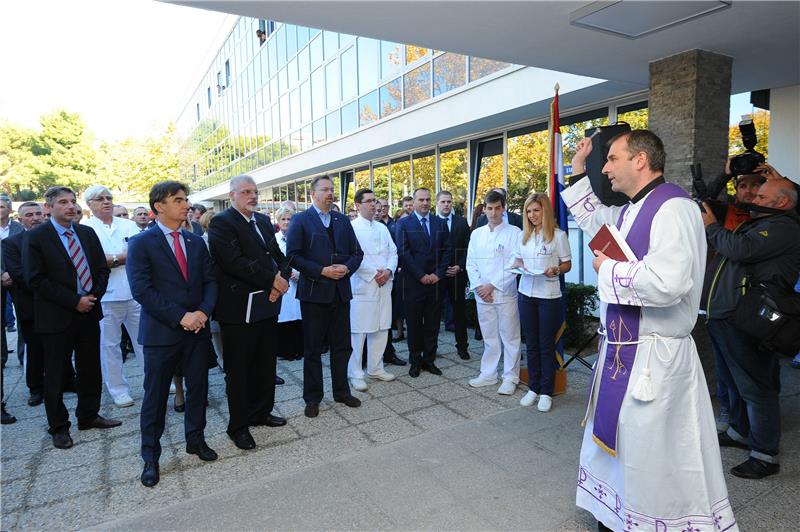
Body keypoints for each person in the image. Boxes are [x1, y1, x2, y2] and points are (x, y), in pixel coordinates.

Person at [563, 130, 735, 531]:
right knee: (626, 443)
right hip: (627, 350)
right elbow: (596, 222)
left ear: (640, 160)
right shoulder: (630, 211)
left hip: (656, 359)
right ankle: (618, 513)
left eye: (612, 158)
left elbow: (668, 282)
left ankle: (658, 520)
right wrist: (575, 173)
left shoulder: (674, 208)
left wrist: (608, 269)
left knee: (653, 450)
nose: (604, 168)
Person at [703, 175, 800, 480]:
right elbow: (712, 200)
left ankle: (764, 454)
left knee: (756, 387)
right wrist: (728, 176)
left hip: (749, 320)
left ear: (782, 202)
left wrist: (711, 229)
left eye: (761, 197)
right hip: (727, 316)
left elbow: (741, 249)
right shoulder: (761, 221)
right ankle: (739, 430)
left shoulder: (785, 227)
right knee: (732, 381)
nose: (753, 200)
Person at [126, 181, 219, 487]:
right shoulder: (142, 243)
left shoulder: (193, 241)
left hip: (197, 330)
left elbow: (210, 281)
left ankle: (196, 439)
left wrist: (203, 313)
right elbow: (142, 290)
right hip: (162, 332)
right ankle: (150, 457)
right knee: (155, 397)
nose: (185, 204)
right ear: (159, 207)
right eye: (178, 200)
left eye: (186, 199)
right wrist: (181, 316)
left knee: (199, 388)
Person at [25, 186, 120, 449]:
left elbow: (101, 269)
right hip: (56, 315)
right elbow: (35, 279)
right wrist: (73, 300)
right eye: (62, 202)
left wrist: (91, 297)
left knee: (90, 367)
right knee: (56, 373)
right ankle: (58, 427)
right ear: (50, 207)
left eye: (72, 202)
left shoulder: (86, 233)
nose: (70, 207)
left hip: (88, 312)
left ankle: (88, 416)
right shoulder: (37, 237)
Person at [207, 175, 290, 450]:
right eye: (245, 192)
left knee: (266, 363)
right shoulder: (222, 223)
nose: (252, 196)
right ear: (232, 196)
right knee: (240, 370)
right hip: (237, 309)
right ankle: (238, 426)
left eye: (255, 192)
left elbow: (278, 254)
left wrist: (283, 279)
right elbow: (234, 262)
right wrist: (272, 280)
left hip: (267, 304)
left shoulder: (264, 221)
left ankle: (262, 411)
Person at [286, 175, 364, 418]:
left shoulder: (342, 220)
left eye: (332, 189)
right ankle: (312, 398)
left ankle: (341, 391)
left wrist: (347, 268)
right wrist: (322, 271)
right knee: (312, 349)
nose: (330, 193)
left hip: (341, 293)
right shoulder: (301, 220)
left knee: (342, 346)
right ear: (313, 194)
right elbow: (293, 256)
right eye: (325, 189)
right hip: (314, 295)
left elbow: (357, 252)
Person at [3, 202, 74, 407]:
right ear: (20, 219)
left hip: (59, 302)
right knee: (34, 348)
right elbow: (19, 274)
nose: (35, 218)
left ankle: (68, 380)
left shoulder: (55, 238)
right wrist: (50, 287)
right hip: (31, 304)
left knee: (64, 345)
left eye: (38, 214)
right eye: (29, 215)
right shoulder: (11, 243)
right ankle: (35, 388)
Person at [83, 186, 144, 408]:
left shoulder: (129, 226)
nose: (106, 202)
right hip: (105, 296)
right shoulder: (85, 229)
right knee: (109, 346)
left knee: (145, 342)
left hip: (135, 293)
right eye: (100, 199)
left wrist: (111, 259)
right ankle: (118, 390)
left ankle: (156, 381)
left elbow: (139, 255)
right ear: (90, 204)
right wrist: (120, 258)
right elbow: (94, 261)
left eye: (109, 198)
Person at [513, 193, 571, 412]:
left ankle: (547, 391)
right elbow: (517, 258)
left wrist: (556, 269)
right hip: (526, 294)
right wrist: (517, 266)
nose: (532, 215)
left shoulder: (558, 235)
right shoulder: (524, 236)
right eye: (528, 211)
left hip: (548, 296)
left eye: (536, 210)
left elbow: (567, 264)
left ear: (545, 211)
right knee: (532, 344)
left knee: (546, 345)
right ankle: (533, 388)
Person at [465, 190, 521, 395]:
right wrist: (479, 286)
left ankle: (510, 377)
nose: (493, 212)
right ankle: (488, 374)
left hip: (505, 293)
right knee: (489, 336)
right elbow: (471, 262)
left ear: (503, 208)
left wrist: (493, 285)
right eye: (490, 208)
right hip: (482, 295)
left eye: (498, 208)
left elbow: (515, 264)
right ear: (484, 210)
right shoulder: (477, 234)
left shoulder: (514, 232)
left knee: (510, 336)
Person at [396, 187, 452, 378]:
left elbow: (447, 251)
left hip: (435, 283)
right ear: (414, 201)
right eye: (421, 200)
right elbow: (403, 252)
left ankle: (429, 359)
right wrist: (421, 275)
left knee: (433, 323)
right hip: (413, 283)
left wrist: (438, 274)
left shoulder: (439, 223)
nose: (425, 203)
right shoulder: (404, 224)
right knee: (413, 323)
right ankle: (415, 361)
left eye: (428, 199)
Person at [347, 188, 398, 391]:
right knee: (359, 331)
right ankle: (355, 372)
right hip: (364, 284)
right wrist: (374, 274)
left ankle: (376, 368)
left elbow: (393, 252)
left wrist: (388, 271)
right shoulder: (351, 227)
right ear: (357, 205)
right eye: (368, 201)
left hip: (385, 283)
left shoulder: (382, 228)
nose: (373, 204)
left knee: (381, 326)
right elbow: (353, 256)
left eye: (374, 200)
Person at [437, 191, 471, 359]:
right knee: (433, 313)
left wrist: (460, 266)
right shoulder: (432, 222)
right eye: (443, 201)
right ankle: (431, 349)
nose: (446, 204)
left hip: (457, 274)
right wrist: (439, 270)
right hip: (437, 276)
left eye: (449, 201)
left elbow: (468, 248)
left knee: (459, 313)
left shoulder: (461, 223)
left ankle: (462, 347)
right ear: (437, 203)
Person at [274, 207, 303, 361]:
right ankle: (285, 350)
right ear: (278, 222)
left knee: (298, 315)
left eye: (289, 219)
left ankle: (299, 349)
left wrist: (300, 273)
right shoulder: (274, 239)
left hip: (299, 281)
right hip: (282, 281)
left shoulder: (299, 238)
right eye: (283, 219)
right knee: (284, 315)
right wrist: (289, 273)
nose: (286, 222)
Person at [199, 210, 224, 368]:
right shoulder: (201, 242)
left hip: (226, 290)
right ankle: (221, 359)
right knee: (216, 329)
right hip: (211, 291)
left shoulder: (225, 239)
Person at [1, 195, 23, 370]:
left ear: (9, 209)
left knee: (24, 318)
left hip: (17, 278)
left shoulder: (19, 228)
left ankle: (24, 357)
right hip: (1, 276)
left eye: (2, 207)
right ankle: (2, 358)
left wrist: (11, 273)